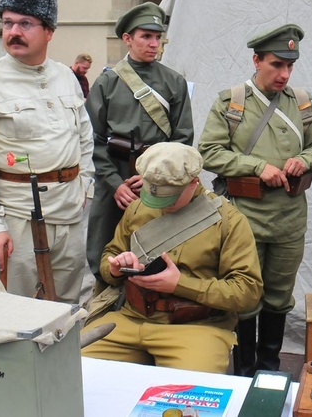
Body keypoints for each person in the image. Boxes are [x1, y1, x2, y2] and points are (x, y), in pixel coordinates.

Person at [198, 23, 312, 376]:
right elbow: (208, 152)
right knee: (244, 295)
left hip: (289, 218)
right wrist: (257, 167)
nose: (284, 74)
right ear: (256, 61)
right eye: (276, 64)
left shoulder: (301, 103)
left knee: (279, 296)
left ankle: (269, 366)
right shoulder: (233, 102)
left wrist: (304, 159)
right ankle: (243, 368)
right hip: (244, 218)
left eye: (289, 66)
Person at [0, 0, 95, 304]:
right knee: (11, 314)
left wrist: (85, 186)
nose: (13, 31)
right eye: (7, 23)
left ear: (49, 31)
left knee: (66, 309)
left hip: (69, 218)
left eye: (25, 23)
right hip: (15, 220)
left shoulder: (66, 77)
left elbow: (85, 140)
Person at [81, 142, 263, 374]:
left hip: (195, 328)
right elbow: (110, 255)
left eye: (170, 198)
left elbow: (247, 293)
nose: (161, 205)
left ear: (193, 183)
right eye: (153, 196)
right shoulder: (137, 209)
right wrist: (116, 269)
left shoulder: (228, 221)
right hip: (129, 318)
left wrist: (180, 284)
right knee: (73, 375)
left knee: (189, 401)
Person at [85, 2, 193, 283]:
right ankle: (105, 296)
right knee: (105, 246)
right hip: (115, 175)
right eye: (146, 36)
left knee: (157, 245)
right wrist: (114, 183)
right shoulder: (106, 83)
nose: (153, 44)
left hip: (158, 179)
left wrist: (151, 178)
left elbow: (183, 138)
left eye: (157, 37)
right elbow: (91, 138)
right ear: (127, 39)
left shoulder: (174, 82)